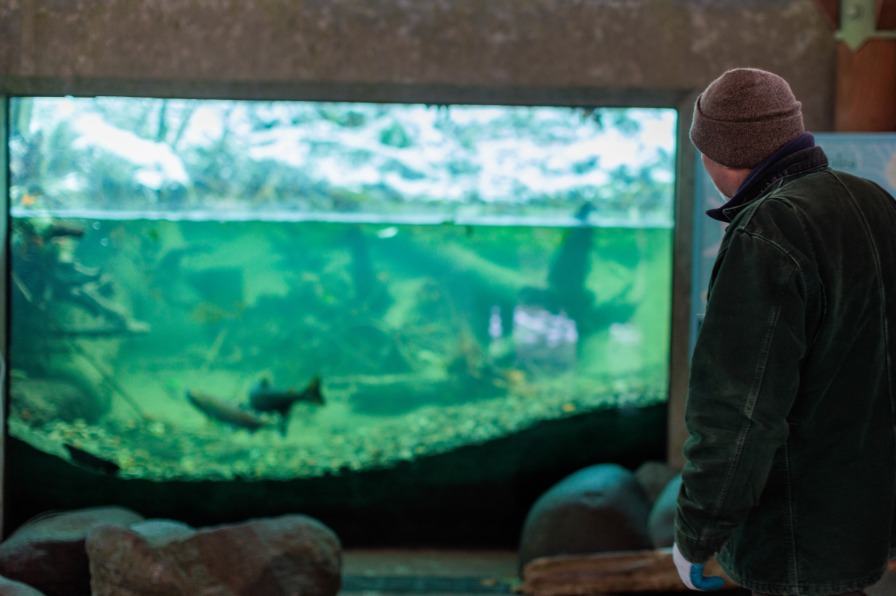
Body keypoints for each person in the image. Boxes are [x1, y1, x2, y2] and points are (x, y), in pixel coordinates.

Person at [672, 67, 896, 596]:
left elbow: (738, 410)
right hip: (867, 519)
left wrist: (696, 534)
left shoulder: (767, 229)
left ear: (715, 153)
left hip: (796, 532)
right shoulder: (876, 203)